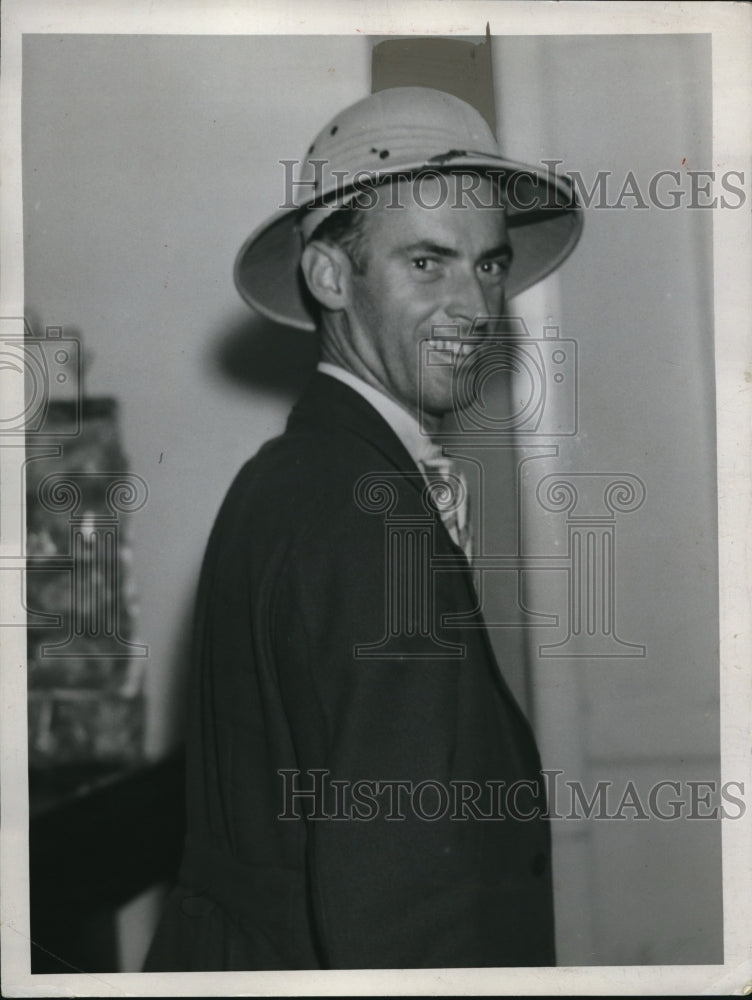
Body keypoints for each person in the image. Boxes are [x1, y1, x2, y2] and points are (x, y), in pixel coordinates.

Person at [144, 86, 582, 971]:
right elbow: (406, 915)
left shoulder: (296, 478)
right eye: (428, 263)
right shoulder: (369, 514)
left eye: (488, 265)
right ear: (330, 276)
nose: (475, 307)